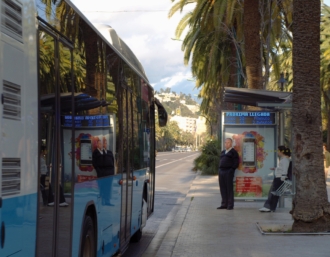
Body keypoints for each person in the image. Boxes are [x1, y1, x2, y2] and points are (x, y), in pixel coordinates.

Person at [259, 146, 291, 212]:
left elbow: (285, 170)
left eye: (278, 151)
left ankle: (267, 207)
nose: (277, 152)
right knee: (275, 193)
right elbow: (283, 169)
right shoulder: (285, 159)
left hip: (279, 178)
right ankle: (271, 207)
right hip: (280, 177)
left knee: (272, 192)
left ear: (282, 151)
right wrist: (276, 168)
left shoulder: (284, 160)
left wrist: (283, 177)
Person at [217, 138, 239, 210]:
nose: (226, 144)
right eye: (225, 142)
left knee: (229, 188)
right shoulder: (223, 152)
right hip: (221, 171)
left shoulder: (233, 152)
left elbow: (236, 163)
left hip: (228, 171)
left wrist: (231, 170)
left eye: (228, 142)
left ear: (231, 143)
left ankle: (230, 205)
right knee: (222, 188)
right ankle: (224, 204)